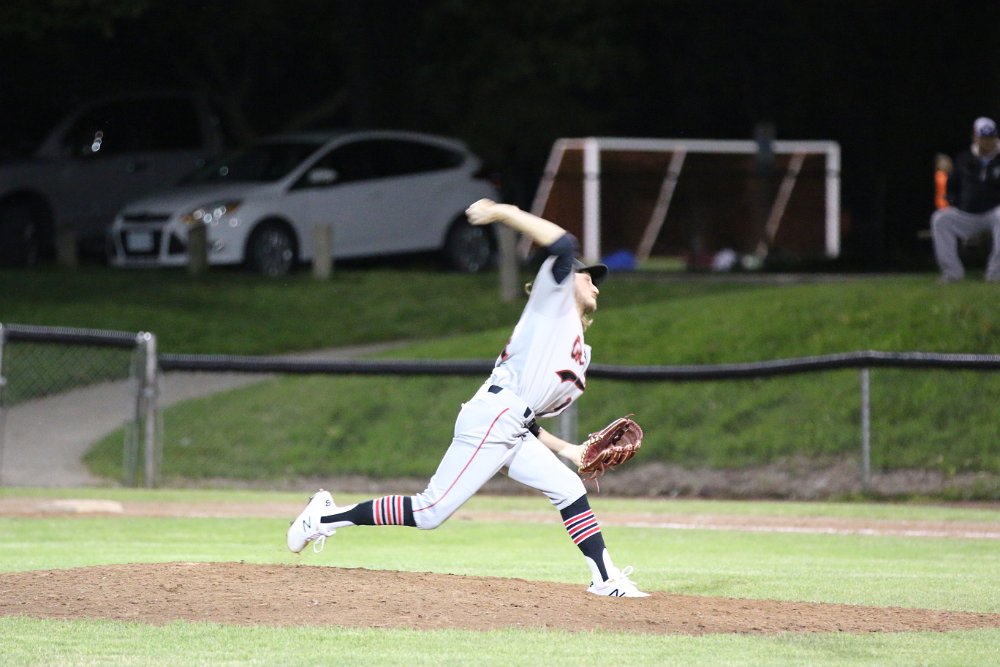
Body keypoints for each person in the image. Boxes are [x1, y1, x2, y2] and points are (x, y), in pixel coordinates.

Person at [285, 198, 650, 597]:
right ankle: (323, 519)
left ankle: (605, 578)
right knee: (429, 511)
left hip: (510, 422)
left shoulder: (579, 350)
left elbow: (527, 418)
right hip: (494, 415)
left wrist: (570, 450)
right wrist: (504, 213)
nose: (594, 283)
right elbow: (564, 246)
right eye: (587, 276)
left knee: (568, 487)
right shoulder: (553, 303)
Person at [931, 117, 1000, 282]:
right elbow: (951, 187)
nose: (988, 142)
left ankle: (996, 273)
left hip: (994, 213)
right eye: (984, 138)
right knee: (940, 219)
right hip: (967, 213)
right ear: (975, 138)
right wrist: (956, 204)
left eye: (991, 137)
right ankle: (952, 273)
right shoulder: (964, 158)